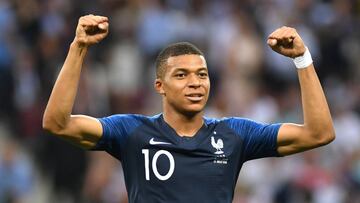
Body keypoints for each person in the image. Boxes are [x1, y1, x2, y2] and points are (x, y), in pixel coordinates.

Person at [42, 14, 335, 203]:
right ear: (160, 86)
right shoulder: (132, 131)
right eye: (181, 75)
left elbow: (318, 133)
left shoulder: (234, 134)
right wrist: (78, 48)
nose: (195, 83)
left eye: (202, 74)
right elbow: (57, 123)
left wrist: (302, 59)